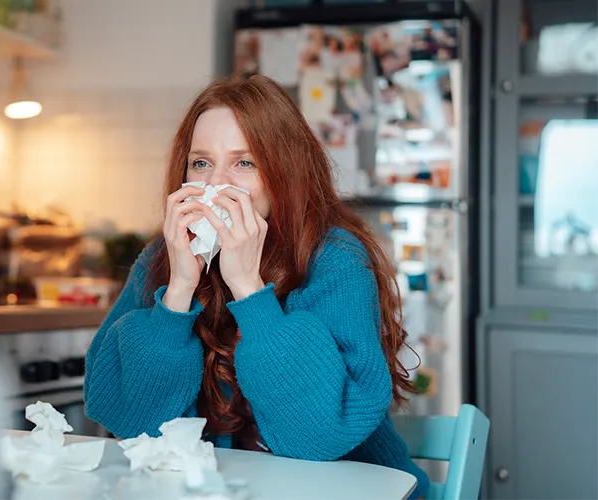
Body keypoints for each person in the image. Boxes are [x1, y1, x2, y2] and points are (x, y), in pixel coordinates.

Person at [83, 75, 430, 500]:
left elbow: (318, 436)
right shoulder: (165, 255)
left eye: (244, 163)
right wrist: (178, 291)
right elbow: (130, 420)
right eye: (201, 163)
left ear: (284, 172)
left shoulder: (335, 258)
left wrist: (248, 287)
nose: (216, 185)